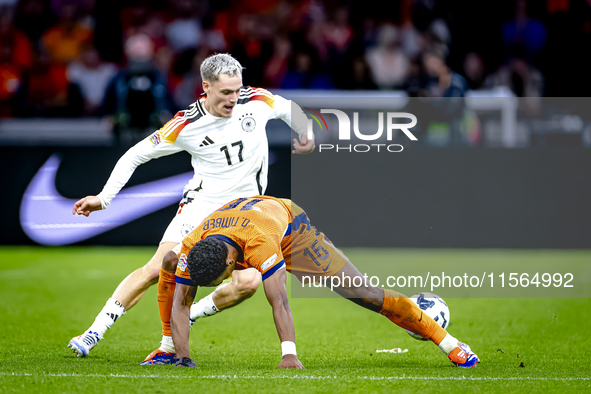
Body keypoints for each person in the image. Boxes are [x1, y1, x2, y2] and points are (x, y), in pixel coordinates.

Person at [67, 53, 315, 359]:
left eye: (237, 90)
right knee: (159, 266)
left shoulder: (256, 101)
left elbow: (291, 110)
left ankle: (189, 315)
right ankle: (94, 332)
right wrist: (103, 198)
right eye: (226, 92)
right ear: (206, 87)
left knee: (248, 284)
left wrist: (306, 133)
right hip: (202, 205)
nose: (234, 99)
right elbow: (135, 154)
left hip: (244, 210)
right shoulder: (187, 124)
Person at [163, 196, 480, 368]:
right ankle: (171, 350)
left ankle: (451, 344)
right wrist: (183, 357)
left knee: (365, 294)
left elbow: (280, 300)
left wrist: (289, 354)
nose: (219, 283)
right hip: (247, 220)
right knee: (173, 273)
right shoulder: (194, 244)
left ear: (232, 263)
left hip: (292, 232)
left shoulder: (260, 245)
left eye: (218, 280)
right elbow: (182, 300)